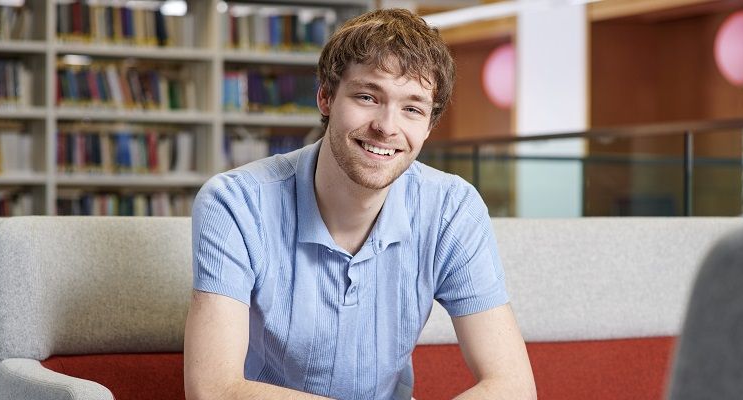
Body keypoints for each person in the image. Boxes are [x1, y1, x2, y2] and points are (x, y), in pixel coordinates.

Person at [184, 8, 536, 400]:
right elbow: (212, 390)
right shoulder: (235, 203)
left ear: (429, 126)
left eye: (412, 109)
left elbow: (513, 385)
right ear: (325, 97)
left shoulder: (453, 209)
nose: (387, 126)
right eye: (368, 96)